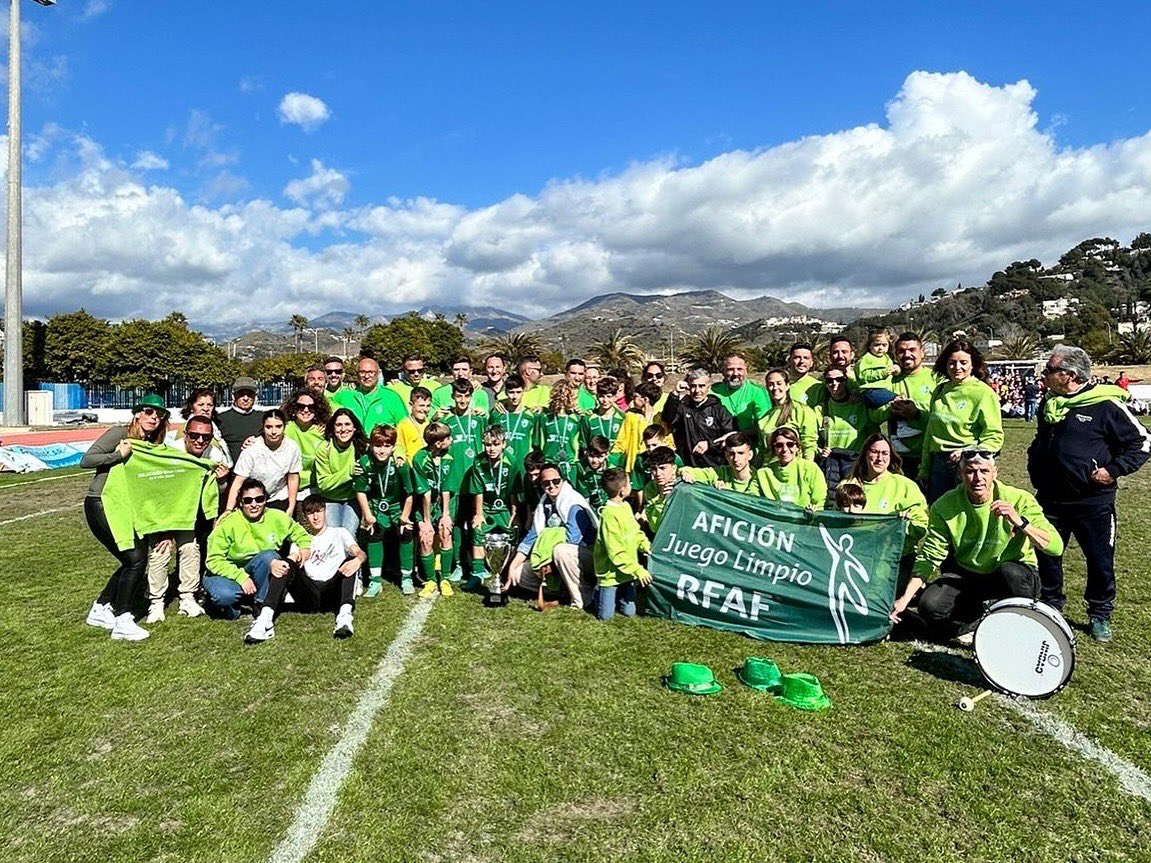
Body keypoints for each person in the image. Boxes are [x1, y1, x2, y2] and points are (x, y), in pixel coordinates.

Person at [1027, 345, 1151, 642]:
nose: (1044, 375)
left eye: (1049, 370)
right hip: (1050, 497)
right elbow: (1043, 439)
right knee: (1047, 552)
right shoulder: (1050, 403)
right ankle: (1051, 604)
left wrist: (1113, 470)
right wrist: (1036, 458)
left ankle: (1099, 612)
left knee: (1098, 558)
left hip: (1092, 501)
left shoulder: (1106, 405)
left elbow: (1143, 442)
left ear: (1069, 375)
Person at [896, 451, 1062, 642]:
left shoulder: (1019, 499)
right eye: (970, 471)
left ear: (995, 473)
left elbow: (1055, 547)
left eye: (984, 471)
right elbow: (929, 555)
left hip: (1010, 574)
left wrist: (1020, 522)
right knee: (929, 605)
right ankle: (979, 620)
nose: (978, 478)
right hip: (968, 574)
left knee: (1013, 573)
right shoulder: (944, 506)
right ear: (960, 475)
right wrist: (905, 600)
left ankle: (1017, 620)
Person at [82, 394, 172, 641]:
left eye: (159, 414)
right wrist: (118, 455)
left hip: (126, 509)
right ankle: (123, 618)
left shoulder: (150, 443)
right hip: (101, 503)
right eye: (149, 412)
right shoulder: (118, 434)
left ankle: (101, 608)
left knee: (131, 559)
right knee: (135, 559)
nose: (154, 418)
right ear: (137, 413)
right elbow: (86, 460)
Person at [245, 497, 366, 643]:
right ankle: (264, 620)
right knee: (285, 564)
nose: (316, 517)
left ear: (325, 511)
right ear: (305, 516)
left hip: (333, 589)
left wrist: (358, 560)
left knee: (350, 563)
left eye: (319, 511)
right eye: (310, 513)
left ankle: (345, 618)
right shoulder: (302, 538)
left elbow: (359, 552)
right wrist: (290, 559)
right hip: (309, 592)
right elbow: (294, 556)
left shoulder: (340, 532)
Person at [145, 413, 229, 622]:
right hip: (164, 513)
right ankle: (155, 602)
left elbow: (217, 491)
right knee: (161, 550)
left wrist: (221, 481)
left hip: (190, 515)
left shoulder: (215, 455)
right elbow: (156, 491)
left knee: (191, 548)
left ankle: (187, 597)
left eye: (206, 437)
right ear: (185, 435)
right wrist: (163, 529)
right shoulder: (170, 454)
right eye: (194, 436)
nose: (200, 441)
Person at [203, 478, 313, 621]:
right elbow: (213, 560)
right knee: (224, 596)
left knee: (270, 556)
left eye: (259, 499)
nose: (254, 504)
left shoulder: (277, 517)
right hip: (226, 571)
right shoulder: (227, 524)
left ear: (265, 499)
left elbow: (300, 533)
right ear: (241, 502)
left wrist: (304, 549)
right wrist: (241, 577)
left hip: (258, 568)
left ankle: (261, 603)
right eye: (248, 500)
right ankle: (231, 608)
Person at [920, 339, 1004, 503]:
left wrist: (969, 452)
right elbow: (930, 433)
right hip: (938, 465)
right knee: (939, 512)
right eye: (952, 362)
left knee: (965, 513)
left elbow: (994, 435)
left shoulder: (983, 393)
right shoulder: (939, 391)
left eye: (963, 362)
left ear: (973, 364)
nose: (957, 367)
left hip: (968, 463)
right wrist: (924, 468)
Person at [505, 464, 598, 610]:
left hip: (586, 556)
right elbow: (531, 538)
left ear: (562, 480)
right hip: (555, 559)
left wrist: (547, 561)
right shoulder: (544, 504)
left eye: (556, 481)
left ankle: (582, 598)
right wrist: (512, 566)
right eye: (546, 483)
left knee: (561, 551)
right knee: (518, 573)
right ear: (541, 484)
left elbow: (572, 539)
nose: (551, 486)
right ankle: (564, 591)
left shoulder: (573, 503)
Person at [841, 433, 929, 572]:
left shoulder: (904, 486)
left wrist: (902, 526)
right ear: (865, 454)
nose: (879, 458)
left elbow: (921, 525)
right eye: (874, 452)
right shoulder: (849, 484)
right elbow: (835, 519)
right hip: (854, 556)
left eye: (884, 453)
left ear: (890, 457)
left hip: (893, 559)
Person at [355, 424, 415, 596]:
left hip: (397, 506)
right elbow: (360, 491)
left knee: (406, 533)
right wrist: (367, 515)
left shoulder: (400, 465)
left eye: (387, 446)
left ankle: (406, 578)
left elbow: (409, 493)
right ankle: (375, 581)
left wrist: (404, 517)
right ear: (371, 445)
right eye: (378, 446)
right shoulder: (365, 462)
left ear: (393, 447)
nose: (382, 450)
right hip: (375, 505)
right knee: (374, 534)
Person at [872, 333, 936, 481]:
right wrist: (890, 409)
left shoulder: (935, 379)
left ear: (922, 353)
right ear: (895, 354)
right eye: (901, 351)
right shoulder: (888, 380)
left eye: (912, 350)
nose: (907, 355)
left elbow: (942, 419)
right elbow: (873, 416)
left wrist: (916, 414)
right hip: (899, 459)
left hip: (929, 455)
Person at [593, 468, 652, 621]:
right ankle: (597, 593)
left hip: (627, 574)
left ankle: (619, 597)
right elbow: (615, 552)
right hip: (610, 574)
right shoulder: (608, 515)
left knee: (629, 611)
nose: (631, 485)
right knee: (605, 617)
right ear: (622, 491)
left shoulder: (625, 507)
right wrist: (638, 569)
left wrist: (645, 545)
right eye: (629, 483)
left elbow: (635, 531)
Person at [410, 422, 459, 597]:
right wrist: (427, 521)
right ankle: (430, 580)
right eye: (447, 438)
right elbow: (424, 493)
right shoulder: (419, 459)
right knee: (426, 537)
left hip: (444, 502)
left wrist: (446, 515)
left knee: (445, 532)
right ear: (437, 443)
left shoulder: (449, 457)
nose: (451, 440)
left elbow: (446, 488)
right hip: (425, 504)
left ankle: (444, 579)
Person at [466, 425, 517, 590]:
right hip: (487, 507)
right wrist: (478, 514)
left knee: (512, 533)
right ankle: (478, 573)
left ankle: (507, 571)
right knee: (477, 529)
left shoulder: (511, 461)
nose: (492, 449)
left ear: (504, 444)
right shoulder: (479, 461)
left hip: (504, 507)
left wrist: (515, 514)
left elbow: (514, 491)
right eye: (488, 445)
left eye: (496, 444)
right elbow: (477, 490)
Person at [226, 409, 302, 516]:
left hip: (279, 497)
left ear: (284, 427)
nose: (274, 432)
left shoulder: (292, 447)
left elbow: (293, 477)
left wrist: (291, 506)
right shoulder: (251, 448)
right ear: (263, 427)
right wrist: (228, 509)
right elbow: (239, 481)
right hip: (253, 499)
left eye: (278, 426)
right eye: (269, 427)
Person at [815, 367, 873, 498]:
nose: (834, 384)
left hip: (855, 461)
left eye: (839, 379)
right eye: (829, 380)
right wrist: (820, 451)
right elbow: (811, 439)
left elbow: (874, 432)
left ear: (846, 381)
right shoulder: (820, 409)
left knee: (857, 500)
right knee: (833, 500)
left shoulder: (860, 404)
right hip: (832, 462)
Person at [661, 368, 736, 468]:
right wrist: (675, 393)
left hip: (714, 467)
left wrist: (709, 444)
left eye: (701, 386)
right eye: (693, 386)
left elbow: (730, 437)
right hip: (688, 467)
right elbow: (668, 418)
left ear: (708, 388)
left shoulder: (719, 410)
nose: (697, 390)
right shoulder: (683, 408)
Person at [312, 408, 368, 534]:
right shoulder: (324, 448)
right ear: (333, 428)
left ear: (354, 428)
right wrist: (348, 472)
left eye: (347, 424)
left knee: (349, 534)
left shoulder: (362, 447)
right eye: (338, 425)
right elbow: (323, 483)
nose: (343, 429)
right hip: (329, 498)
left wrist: (398, 453)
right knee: (334, 534)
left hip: (354, 498)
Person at [755, 427, 827, 509]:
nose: (785, 449)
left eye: (790, 444)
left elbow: (820, 500)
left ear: (797, 447)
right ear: (773, 448)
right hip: (774, 519)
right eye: (779, 445)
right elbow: (749, 498)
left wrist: (814, 510)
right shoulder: (763, 473)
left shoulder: (810, 468)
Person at [332, 356, 407, 434]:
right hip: (354, 444)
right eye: (362, 372)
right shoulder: (345, 396)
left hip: (382, 445)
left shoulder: (392, 397)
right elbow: (325, 409)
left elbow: (405, 428)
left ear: (378, 373)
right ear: (357, 374)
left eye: (371, 372)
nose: (366, 376)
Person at [759, 369, 819, 461]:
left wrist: (807, 467)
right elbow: (764, 450)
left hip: (795, 466)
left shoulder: (801, 411)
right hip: (770, 468)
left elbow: (809, 444)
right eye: (770, 384)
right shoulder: (765, 418)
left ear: (787, 386)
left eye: (779, 383)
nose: (775, 388)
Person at [712, 353, 772, 444]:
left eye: (739, 369)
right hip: (719, 448)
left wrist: (736, 436)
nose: (735, 373)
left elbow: (765, 425)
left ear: (746, 371)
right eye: (730, 369)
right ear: (723, 371)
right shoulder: (713, 392)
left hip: (750, 447)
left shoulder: (758, 392)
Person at [680, 433, 766, 496]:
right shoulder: (720, 473)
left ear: (750, 455)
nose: (736, 459)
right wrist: (686, 473)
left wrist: (728, 493)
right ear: (726, 455)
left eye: (741, 453)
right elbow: (686, 470)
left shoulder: (759, 477)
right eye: (731, 454)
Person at [281, 389, 331, 499]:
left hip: (318, 490)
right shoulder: (285, 429)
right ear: (294, 408)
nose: (306, 410)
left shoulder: (323, 431)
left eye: (311, 407)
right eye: (301, 406)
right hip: (289, 489)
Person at [488, 374, 534, 474]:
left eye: (518, 392)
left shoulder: (531, 416)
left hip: (523, 465)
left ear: (524, 391)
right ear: (505, 392)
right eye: (511, 392)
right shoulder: (497, 414)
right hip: (501, 464)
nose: (514, 396)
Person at [536, 380, 582, 477]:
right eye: (559, 395)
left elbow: (579, 443)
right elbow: (538, 443)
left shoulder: (576, 419)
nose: (562, 399)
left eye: (566, 395)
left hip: (570, 464)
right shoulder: (544, 418)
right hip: (549, 463)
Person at [216, 377, 264, 463]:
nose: (246, 398)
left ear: (255, 396)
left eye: (250, 394)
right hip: (231, 471)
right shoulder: (220, 419)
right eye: (241, 394)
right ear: (233, 396)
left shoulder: (263, 418)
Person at [641, 446, 679, 535]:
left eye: (662, 468)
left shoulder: (684, 484)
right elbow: (654, 527)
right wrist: (662, 499)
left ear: (674, 468)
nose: (658, 474)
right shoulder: (650, 488)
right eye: (654, 469)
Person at [854, 327, 900, 398]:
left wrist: (896, 370)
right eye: (877, 345)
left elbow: (892, 373)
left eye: (884, 345)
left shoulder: (888, 358)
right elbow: (863, 375)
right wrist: (882, 373)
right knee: (897, 398)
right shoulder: (866, 358)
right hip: (871, 390)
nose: (880, 348)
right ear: (869, 345)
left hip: (885, 389)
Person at [581, 377, 625, 448]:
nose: (605, 400)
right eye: (601, 396)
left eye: (609, 396)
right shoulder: (588, 418)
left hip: (615, 458)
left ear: (615, 397)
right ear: (597, 396)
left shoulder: (622, 418)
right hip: (595, 458)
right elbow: (584, 444)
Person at [396, 386, 433, 461]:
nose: (425, 409)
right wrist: (400, 456)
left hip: (427, 466)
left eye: (428, 406)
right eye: (421, 405)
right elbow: (399, 445)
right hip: (412, 467)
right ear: (411, 404)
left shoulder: (430, 423)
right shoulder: (403, 425)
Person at [786, 342, 823, 407]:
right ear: (789, 360)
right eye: (797, 357)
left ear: (811, 363)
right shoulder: (779, 385)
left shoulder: (818, 387)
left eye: (806, 358)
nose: (801, 361)